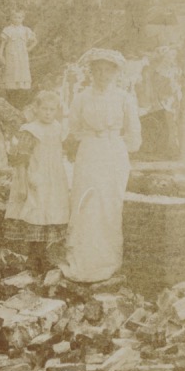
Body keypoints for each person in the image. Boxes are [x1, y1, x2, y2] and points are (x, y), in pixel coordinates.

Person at [59, 49, 142, 283]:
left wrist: (117, 144)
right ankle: (83, 260)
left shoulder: (124, 98)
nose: (103, 75)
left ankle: (107, 260)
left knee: (109, 204)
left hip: (113, 152)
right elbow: (74, 126)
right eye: (98, 70)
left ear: (115, 73)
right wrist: (91, 138)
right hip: (89, 151)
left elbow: (134, 133)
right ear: (91, 72)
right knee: (86, 202)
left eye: (107, 71)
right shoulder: (82, 97)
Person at [4, 90, 70, 274]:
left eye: (52, 109)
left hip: (53, 178)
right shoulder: (30, 130)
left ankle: (44, 256)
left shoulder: (57, 128)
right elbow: (21, 159)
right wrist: (22, 183)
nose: (48, 113)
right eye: (44, 109)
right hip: (35, 176)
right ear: (36, 109)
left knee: (49, 214)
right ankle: (33, 257)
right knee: (35, 214)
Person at [0, 7, 37, 109]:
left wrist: (27, 49)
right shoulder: (8, 30)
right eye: (15, 17)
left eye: (19, 17)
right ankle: (11, 100)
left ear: (23, 18)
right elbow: (2, 45)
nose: (17, 19)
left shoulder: (26, 30)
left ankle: (20, 103)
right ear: (11, 18)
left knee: (22, 76)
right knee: (12, 75)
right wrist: (1, 56)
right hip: (11, 56)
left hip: (22, 57)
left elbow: (35, 41)